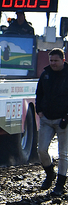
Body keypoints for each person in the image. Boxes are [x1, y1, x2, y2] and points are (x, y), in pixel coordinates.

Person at [35, 48, 68, 196]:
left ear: (63, 60)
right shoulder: (45, 74)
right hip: (46, 119)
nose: (53, 63)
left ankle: (60, 184)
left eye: (56, 60)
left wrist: (66, 117)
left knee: (63, 154)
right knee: (41, 150)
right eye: (51, 60)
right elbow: (39, 93)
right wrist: (39, 111)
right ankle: (50, 174)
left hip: (64, 120)